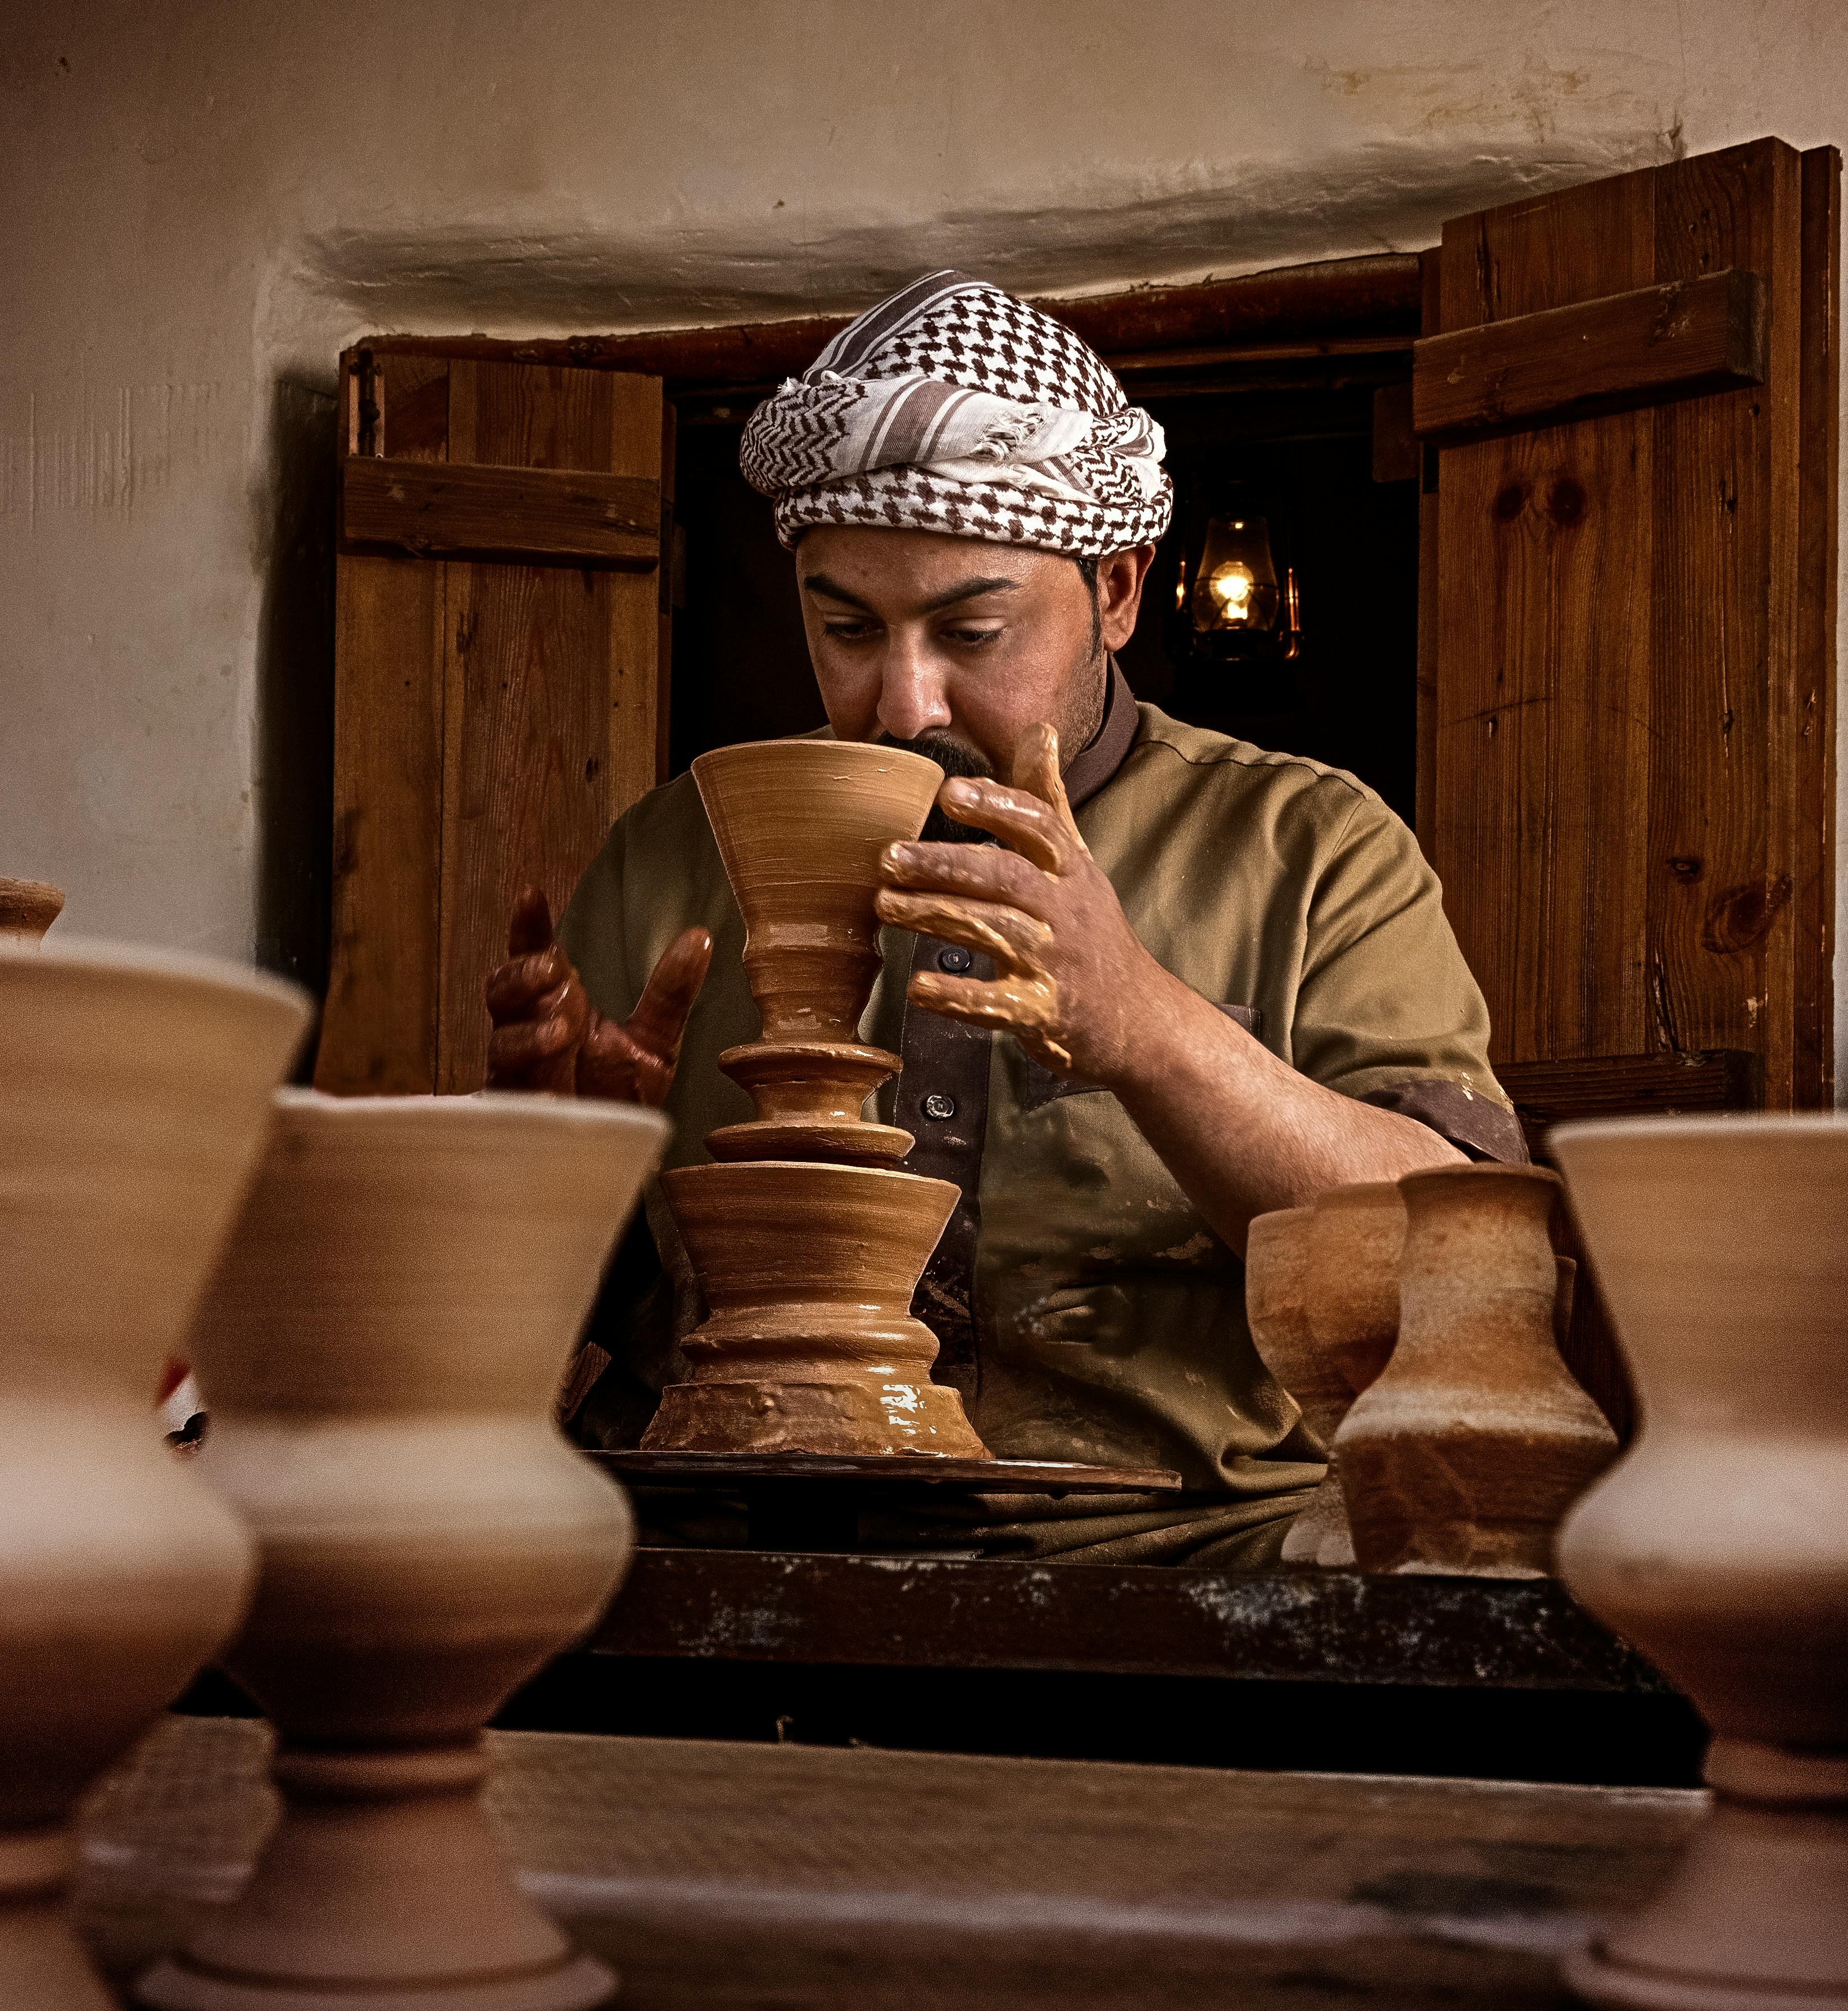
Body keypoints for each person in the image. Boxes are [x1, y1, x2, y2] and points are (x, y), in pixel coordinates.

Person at [487, 270, 1519, 1567]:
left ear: (1122, 592)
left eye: (971, 629)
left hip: (1170, 1563)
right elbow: (509, 1328)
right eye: (846, 626)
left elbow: (1462, 1274)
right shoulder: (672, 848)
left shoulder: (1309, 849)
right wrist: (541, 1163)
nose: (902, 699)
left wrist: (1145, 1026)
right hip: (720, 1549)